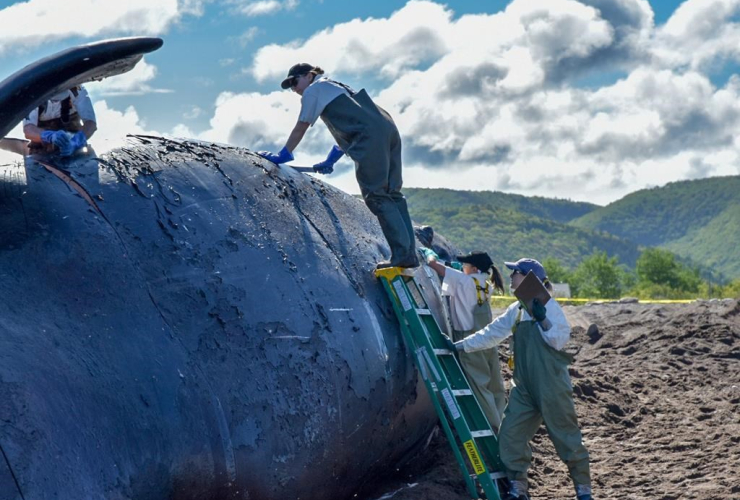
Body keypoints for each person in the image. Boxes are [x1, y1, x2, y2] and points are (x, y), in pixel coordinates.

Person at [451, 258, 592, 500]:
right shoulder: (516, 310)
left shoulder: (550, 307)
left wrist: (543, 319)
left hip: (551, 386)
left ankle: (583, 490)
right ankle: (518, 488)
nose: (510, 277)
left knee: (566, 437)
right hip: (524, 387)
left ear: (528, 277)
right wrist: (461, 346)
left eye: (514, 272)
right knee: (510, 436)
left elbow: (560, 339)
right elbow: (492, 333)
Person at [257, 63, 417, 269]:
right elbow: (355, 125)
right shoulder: (334, 87)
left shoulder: (313, 90)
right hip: (387, 129)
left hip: (371, 135)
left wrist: (284, 154)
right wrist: (331, 159)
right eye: (290, 86)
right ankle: (409, 255)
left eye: (295, 82)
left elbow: (302, 125)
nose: (294, 89)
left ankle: (402, 255)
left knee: (377, 195)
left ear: (309, 75)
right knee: (393, 194)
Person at [425, 250, 507, 430]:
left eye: (465, 265)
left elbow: (434, 266)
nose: (462, 267)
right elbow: (465, 282)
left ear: (475, 268)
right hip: (488, 339)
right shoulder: (486, 284)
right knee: (495, 386)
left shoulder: (463, 280)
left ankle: (493, 429)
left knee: (479, 387)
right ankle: (503, 423)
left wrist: (429, 255)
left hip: (469, 341)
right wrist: (460, 272)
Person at [23, 86, 97, 156]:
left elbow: (91, 123)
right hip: (42, 145)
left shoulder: (77, 90)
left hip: (73, 141)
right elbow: (28, 130)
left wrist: (76, 142)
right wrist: (50, 136)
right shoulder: (33, 94)